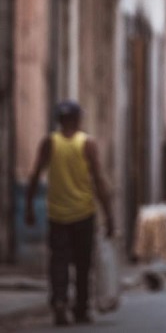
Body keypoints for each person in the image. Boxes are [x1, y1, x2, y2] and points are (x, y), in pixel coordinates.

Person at [24, 100, 115, 327]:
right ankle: (81, 308)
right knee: (83, 264)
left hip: (57, 214)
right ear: (78, 119)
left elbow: (35, 175)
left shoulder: (49, 143)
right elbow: (99, 181)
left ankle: (59, 301)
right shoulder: (87, 144)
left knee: (58, 261)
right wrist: (109, 214)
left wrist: (28, 206)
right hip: (84, 213)